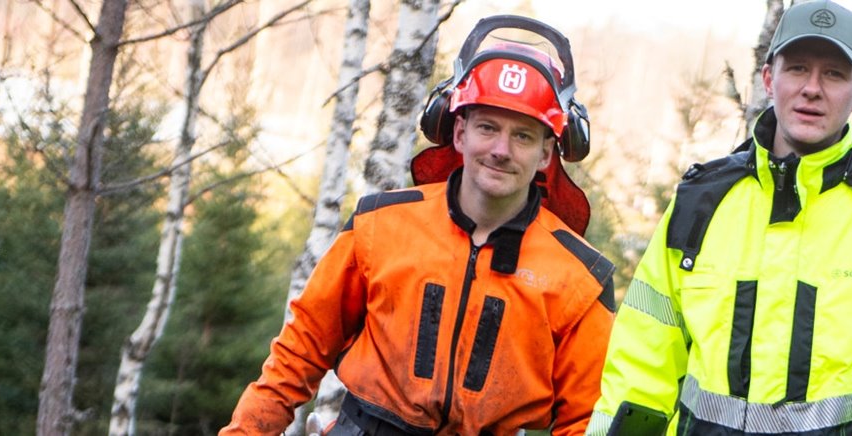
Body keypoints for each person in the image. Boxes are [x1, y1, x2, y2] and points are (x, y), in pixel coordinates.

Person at [222, 15, 616, 436]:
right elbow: (298, 353)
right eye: (487, 127)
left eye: (523, 136)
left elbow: (585, 420)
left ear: (546, 153)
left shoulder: (580, 279)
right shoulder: (381, 225)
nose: (501, 150)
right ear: (459, 133)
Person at [586, 1, 852, 434]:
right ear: (769, 78)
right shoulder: (699, 206)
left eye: (835, 74)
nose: (812, 88)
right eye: (798, 68)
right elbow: (638, 374)